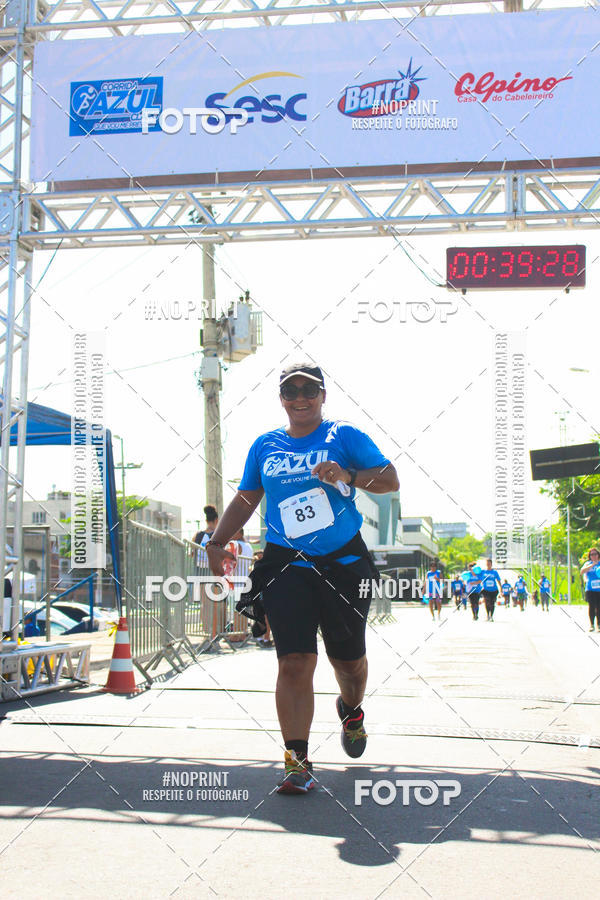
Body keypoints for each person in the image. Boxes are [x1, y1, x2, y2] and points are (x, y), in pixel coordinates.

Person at [204, 361, 399, 794]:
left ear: (323, 395)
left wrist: (348, 475)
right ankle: (297, 762)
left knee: (348, 663)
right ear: (281, 399)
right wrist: (217, 543)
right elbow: (246, 497)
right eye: (289, 392)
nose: (299, 398)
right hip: (285, 563)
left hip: (342, 563)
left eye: (308, 390)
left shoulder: (343, 436)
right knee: (294, 661)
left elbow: (390, 480)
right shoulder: (265, 445)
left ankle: (351, 709)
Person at [580, 547, 600, 632]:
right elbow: (582, 572)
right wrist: (592, 565)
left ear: (598, 555)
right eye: (592, 554)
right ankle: (592, 624)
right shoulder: (588, 564)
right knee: (591, 606)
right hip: (590, 588)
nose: (594, 556)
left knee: (599, 607)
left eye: (595, 554)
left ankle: (599, 625)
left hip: (599, 589)